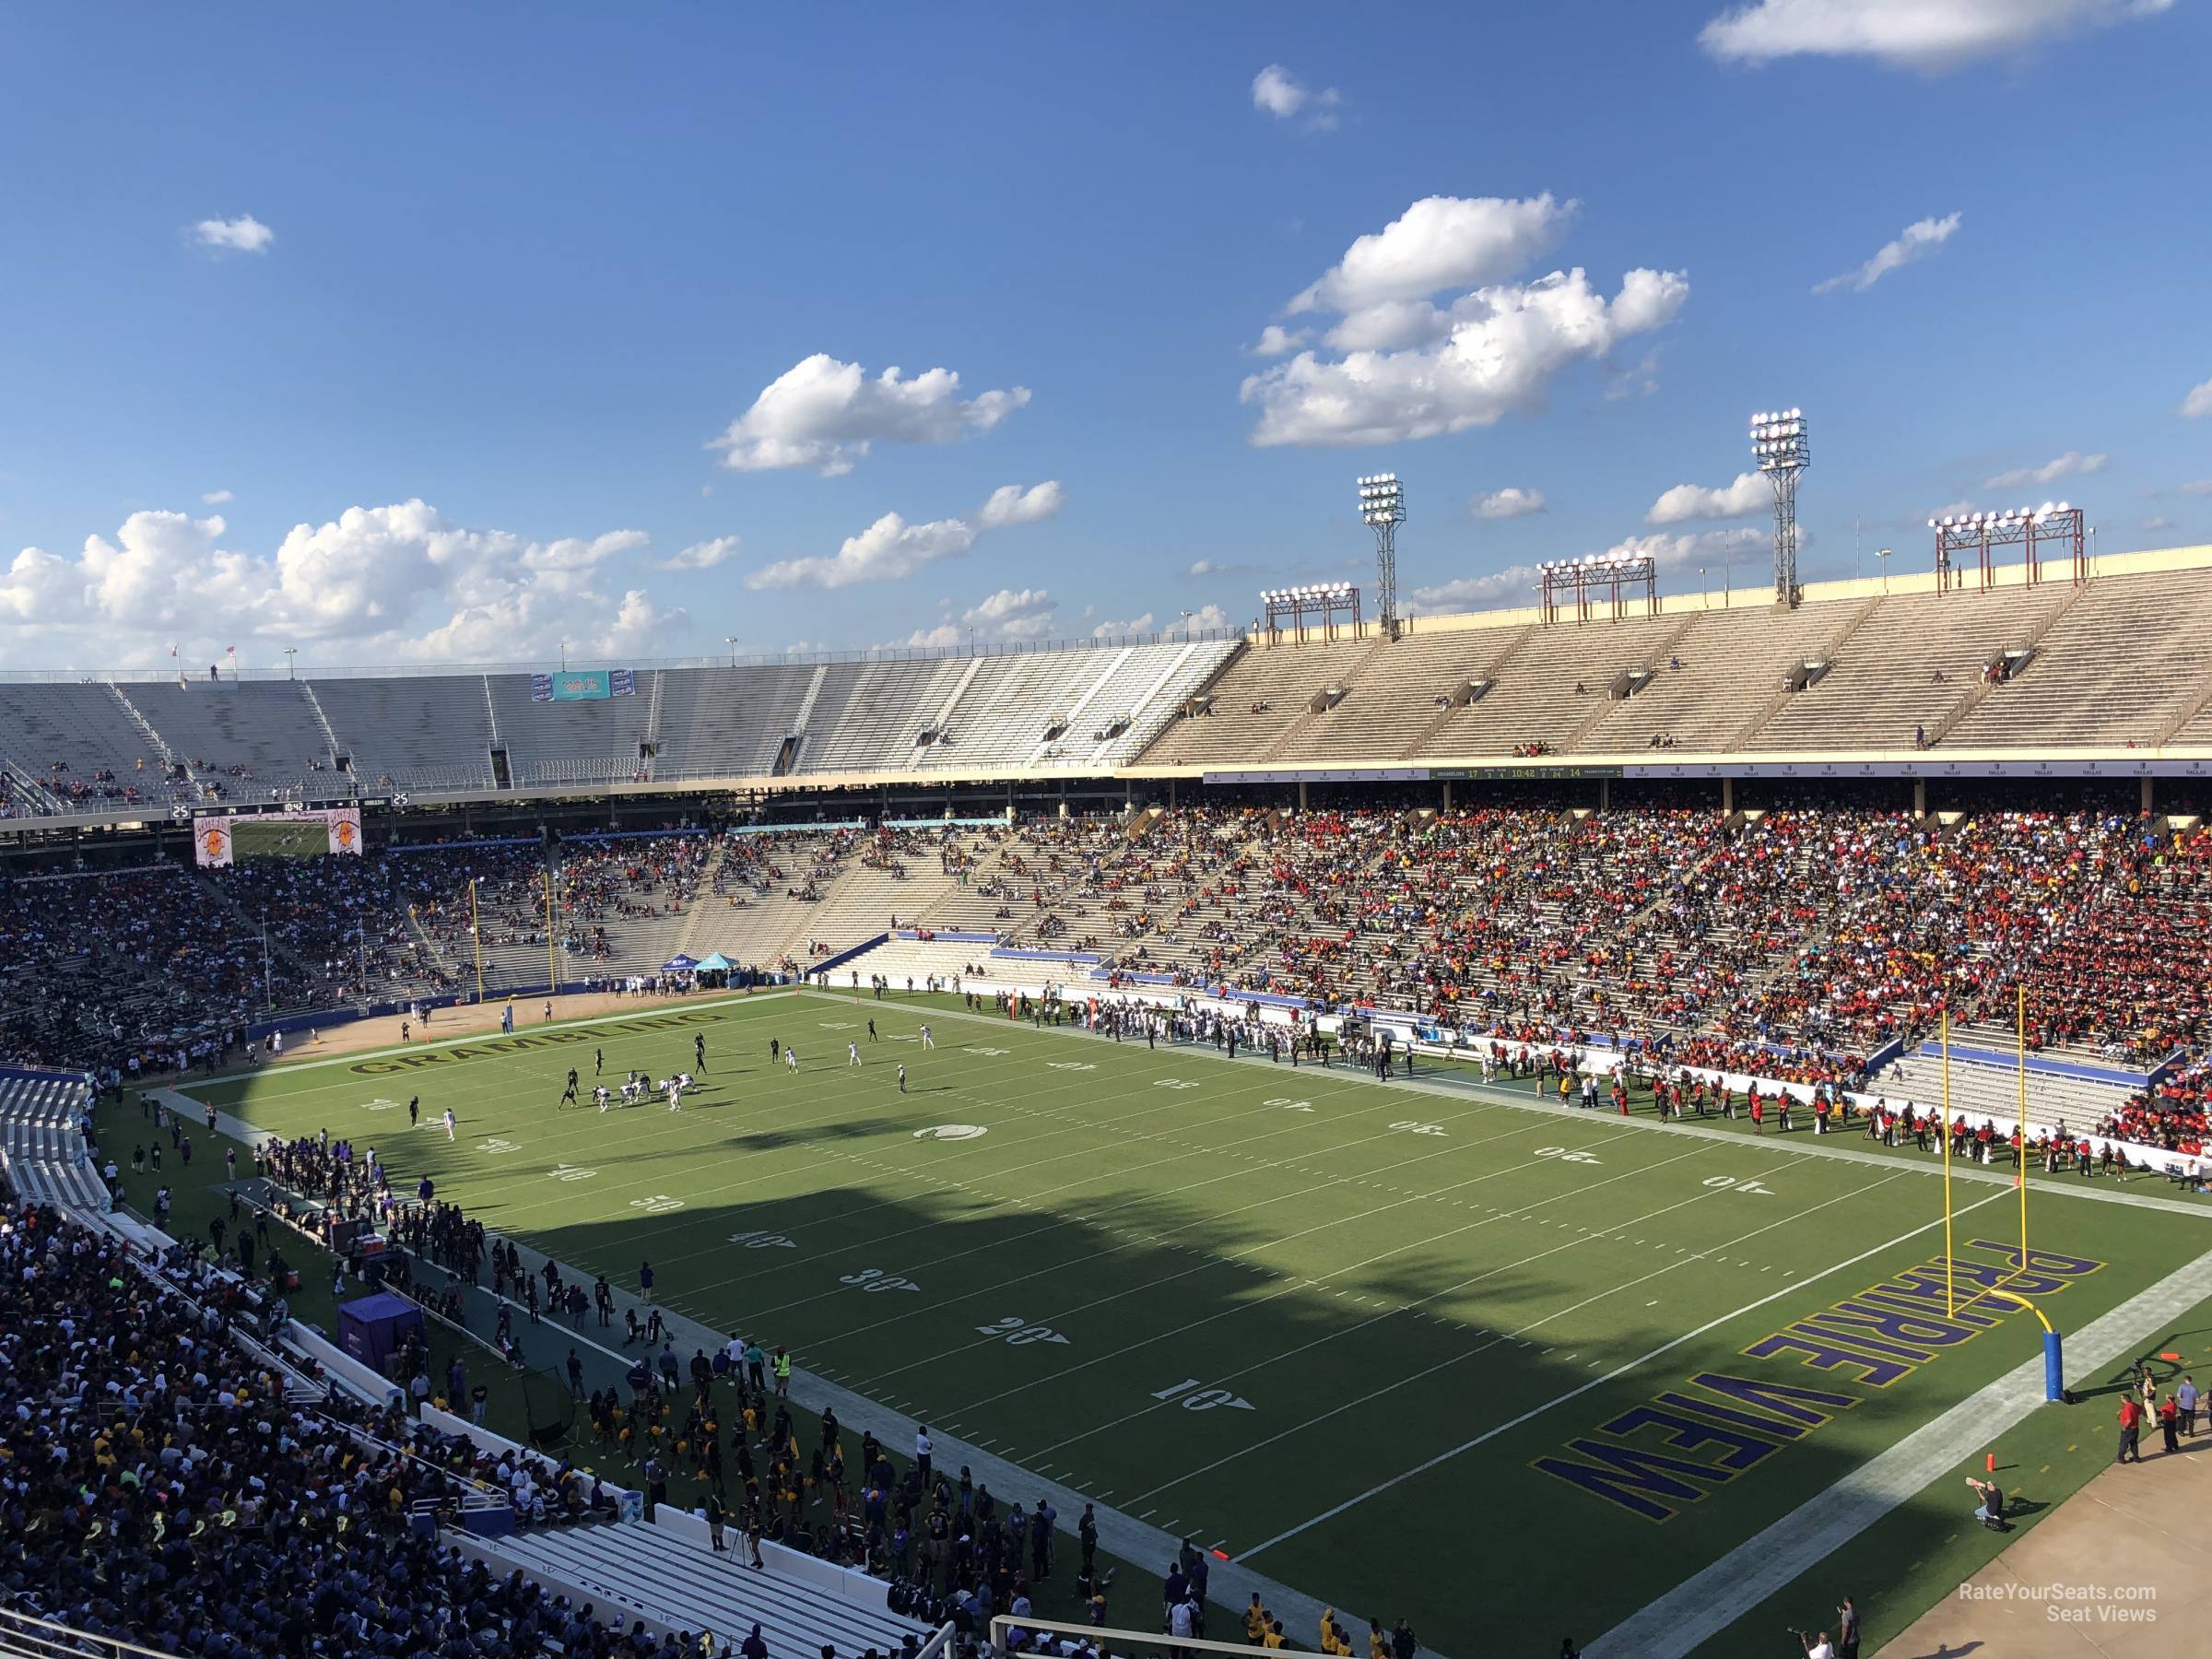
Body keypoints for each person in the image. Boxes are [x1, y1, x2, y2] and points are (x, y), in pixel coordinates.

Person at [2118, 1393, 2144, 1463]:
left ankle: (2121, 1458)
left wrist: (2124, 1426)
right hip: (2135, 1428)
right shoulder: (2133, 1405)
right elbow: (2141, 1410)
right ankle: (2136, 1457)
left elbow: (2129, 1420)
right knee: (2134, 1443)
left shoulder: (2127, 1407)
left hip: (2128, 1429)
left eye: (2122, 1398)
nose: (2120, 1400)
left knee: (2124, 1444)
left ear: (2125, 1399)